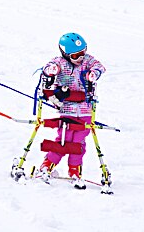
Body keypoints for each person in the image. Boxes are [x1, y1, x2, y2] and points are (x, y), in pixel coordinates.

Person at [38, 32, 106, 189]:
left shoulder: (88, 60)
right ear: (65, 53)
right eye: (76, 55)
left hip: (85, 109)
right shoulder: (60, 61)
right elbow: (47, 68)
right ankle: (48, 163)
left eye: (83, 52)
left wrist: (93, 74)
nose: (80, 57)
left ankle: (74, 168)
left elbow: (100, 66)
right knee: (64, 137)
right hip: (67, 108)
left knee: (78, 140)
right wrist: (52, 70)